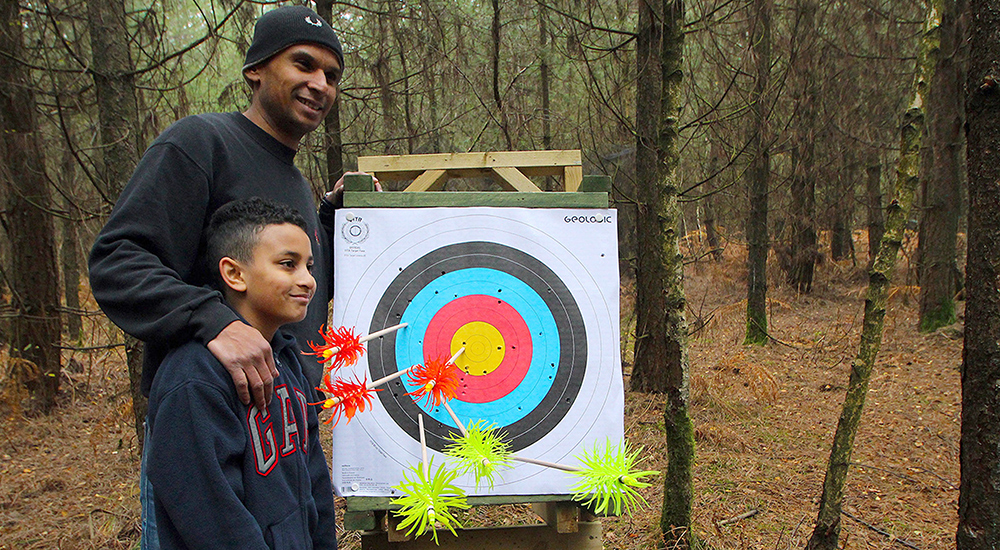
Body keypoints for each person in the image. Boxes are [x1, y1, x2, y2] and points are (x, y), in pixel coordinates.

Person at [88, 6, 357, 548]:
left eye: (332, 75)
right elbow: (117, 259)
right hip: (210, 437)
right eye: (303, 63)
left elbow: (283, 272)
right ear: (255, 68)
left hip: (283, 434)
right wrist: (213, 321)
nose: (319, 84)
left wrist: (327, 217)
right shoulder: (198, 143)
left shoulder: (293, 178)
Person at [145, 197, 336, 549]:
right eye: (287, 265)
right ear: (234, 274)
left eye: (309, 265)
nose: (308, 280)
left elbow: (315, 486)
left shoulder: (287, 358)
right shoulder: (195, 378)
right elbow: (212, 519)